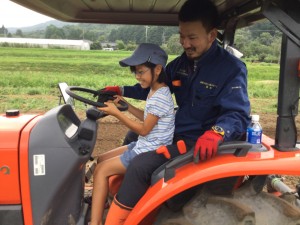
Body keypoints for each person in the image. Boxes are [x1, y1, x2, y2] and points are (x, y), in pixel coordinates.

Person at [103, 0, 251, 224]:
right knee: (133, 136)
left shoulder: (230, 69)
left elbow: (238, 114)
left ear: (212, 35)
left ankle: (119, 219)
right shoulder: (182, 64)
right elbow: (156, 87)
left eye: (192, 38)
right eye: (182, 36)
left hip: (200, 141)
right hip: (178, 131)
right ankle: (125, 195)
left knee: (139, 166)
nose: (185, 43)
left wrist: (217, 132)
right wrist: (122, 90)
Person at [89, 43, 175, 225]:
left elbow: (144, 129)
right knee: (102, 160)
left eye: (141, 72)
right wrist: (126, 106)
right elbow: (148, 118)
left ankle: (95, 222)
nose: (137, 76)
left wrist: (117, 113)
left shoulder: (160, 96)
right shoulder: (155, 90)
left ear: (158, 69)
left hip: (147, 149)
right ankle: (103, 199)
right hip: (145, 144)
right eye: (135, 72)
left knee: (101, 171)